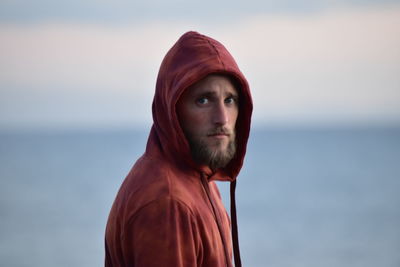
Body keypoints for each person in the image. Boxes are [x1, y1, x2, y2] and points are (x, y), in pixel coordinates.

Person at [105, 31, 253, 267]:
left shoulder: (200, 178)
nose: (222, 118)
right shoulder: (168, 201)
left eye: (229, 100)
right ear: (172, 110)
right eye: (203, 100)